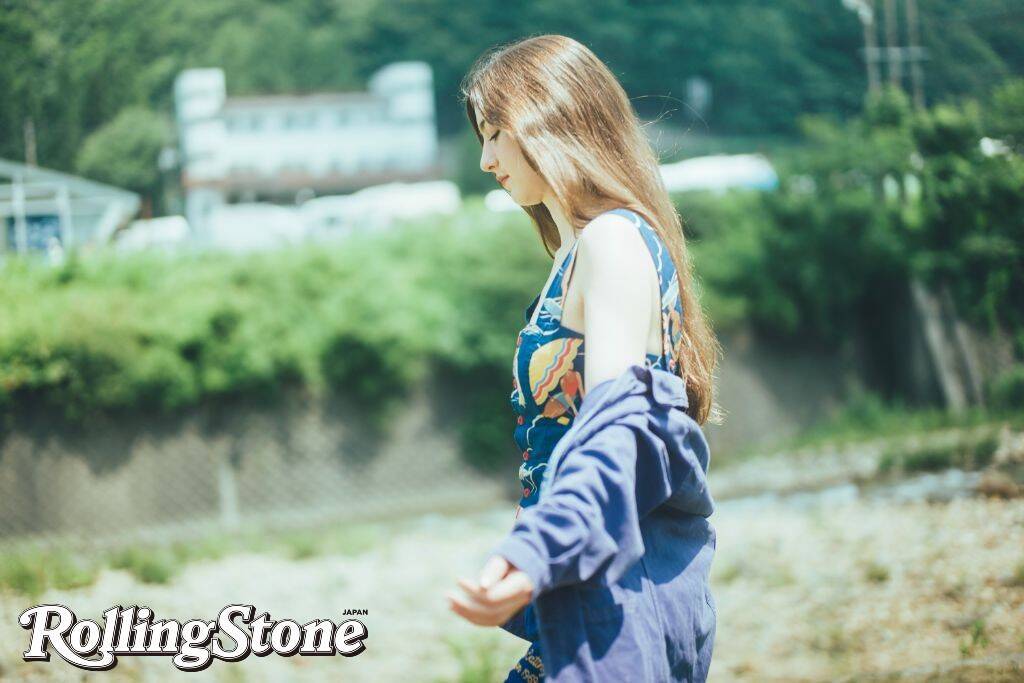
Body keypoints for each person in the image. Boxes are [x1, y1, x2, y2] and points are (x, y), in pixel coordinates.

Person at [447, 34, 724, 682]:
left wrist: (537, 551)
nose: (486, 159)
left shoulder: (612, 242)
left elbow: (616, 432)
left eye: (497, 133)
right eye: (482, 138)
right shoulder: (575, 252)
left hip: (619, 598)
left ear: (552, 120)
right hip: (590, 589)